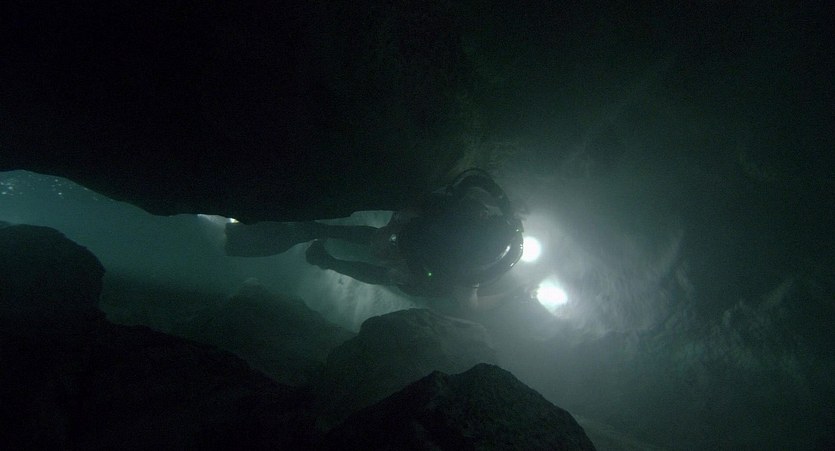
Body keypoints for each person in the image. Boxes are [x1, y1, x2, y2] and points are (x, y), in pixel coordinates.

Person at [224, 169, 524, 308]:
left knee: (390, 268)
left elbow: (469, 301)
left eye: (486, 214)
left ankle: (324, 256)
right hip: (422, 247)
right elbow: (471, 303)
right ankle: (322, 246)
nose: (484, 211)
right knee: (385, 256)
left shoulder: (469, 254)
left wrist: (395, 230)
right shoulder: (469, 236)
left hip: (423, 263)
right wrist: (391, 229)